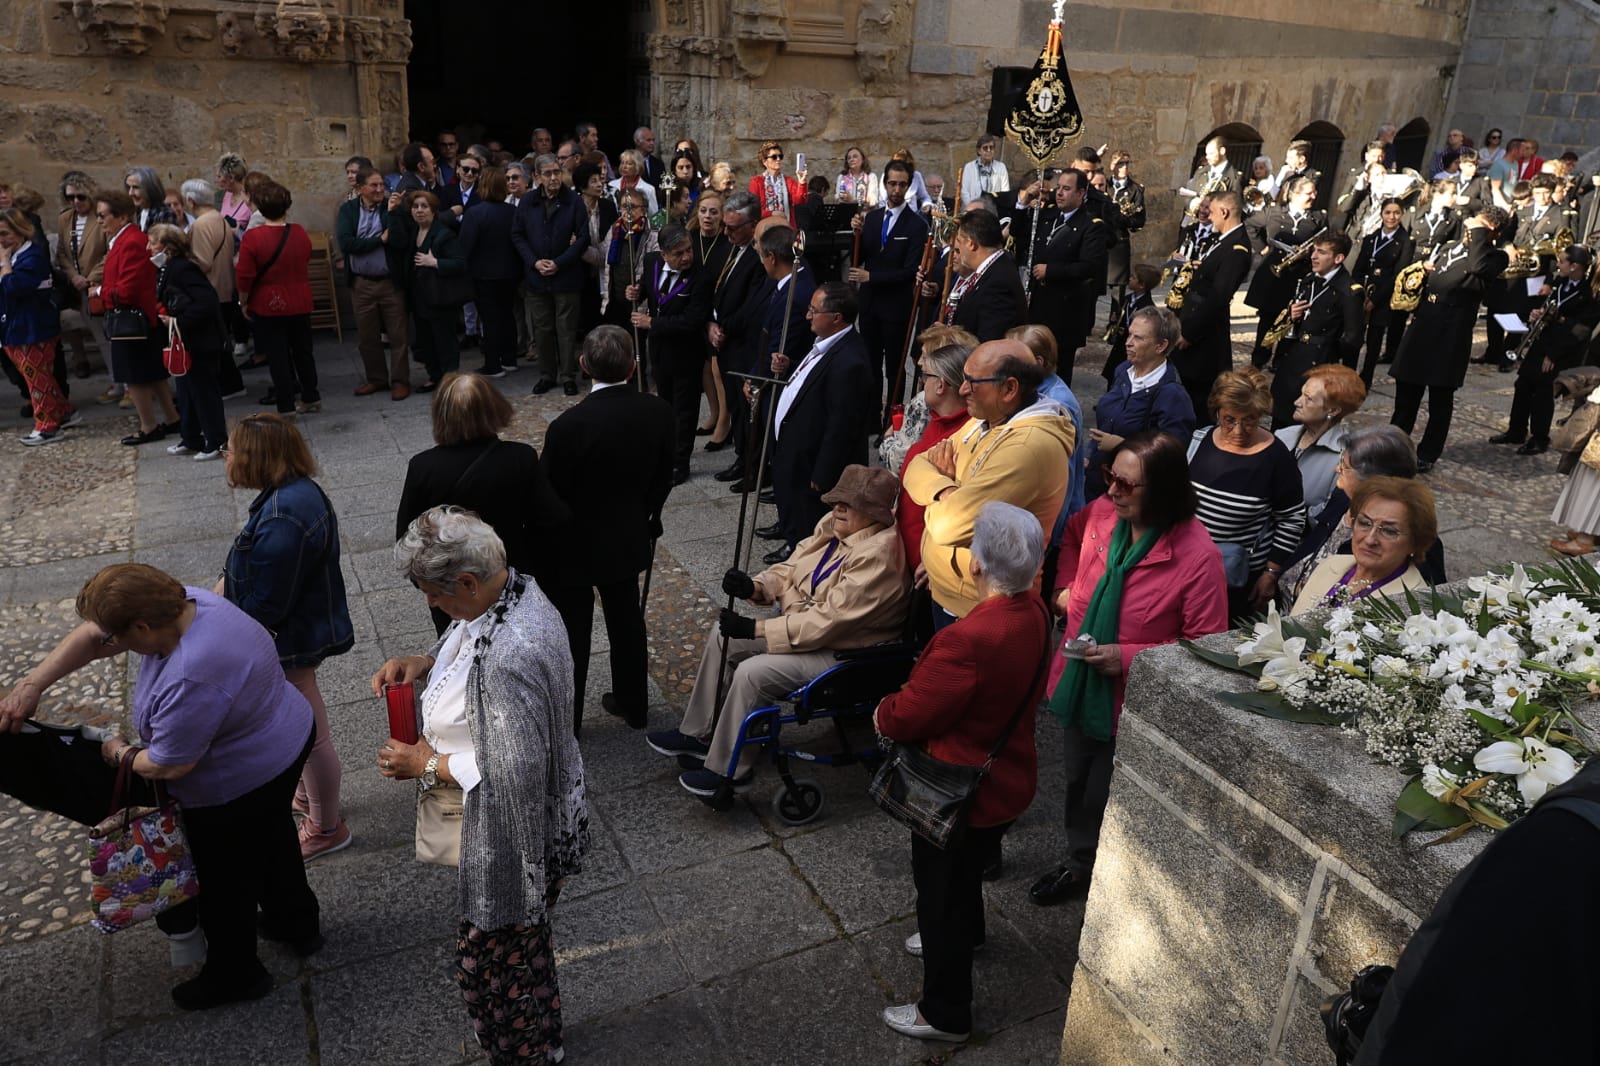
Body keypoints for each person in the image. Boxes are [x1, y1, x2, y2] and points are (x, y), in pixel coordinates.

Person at [0, 563, 322, 1010]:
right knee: (271, 837)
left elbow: (171, 764)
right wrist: (32, 683)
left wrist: (118, 752)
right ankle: (296, 923)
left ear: (141, 627)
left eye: (121, 638)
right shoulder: (186, 602)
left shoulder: (193, 673)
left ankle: (236, 975)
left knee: (223, 878)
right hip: (282, 739)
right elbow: (95, 637)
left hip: (241, 779)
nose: (113, 646)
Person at [374, 507, 588, 1066]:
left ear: (467, 581)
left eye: (435, 594)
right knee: (527, 949)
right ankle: (547, 1043)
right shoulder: (512, 590)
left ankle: (523, 1055)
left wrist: (425, 764)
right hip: (540, 817)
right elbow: (470, 637)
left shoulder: (509, 656)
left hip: (513, 839)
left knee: (488, 969)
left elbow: (512, 771)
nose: (431, 604)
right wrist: (426, 662)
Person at [874, 502, 1051, 1045]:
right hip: (1008, 779)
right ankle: (969, 935)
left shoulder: (967, 639)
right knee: (967, 874)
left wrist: (882, 712)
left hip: (955, 792)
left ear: (975, 566)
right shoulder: (1037, 613)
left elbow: (912, 713)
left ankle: (945, 1012)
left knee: (940, 893)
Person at [1030, 433, 1229, 906]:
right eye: (1110, 477)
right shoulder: (1103, 514)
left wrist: (1127, 657)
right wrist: (1064, 592)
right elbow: (1072, 536)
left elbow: (1205, 649)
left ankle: (1113, 888)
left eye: (1127, 484)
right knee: (1077, 780)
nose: (1113, 491)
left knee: (1111, 796)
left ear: (1162, 490)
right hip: (1079, 683)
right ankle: (1080, 863)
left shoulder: (1198, 557)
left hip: (1134, 706)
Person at [648, 465, 911, 795]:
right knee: (723, 635)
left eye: (850, 504)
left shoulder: (878, 554)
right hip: (808, 629)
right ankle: (700, 733)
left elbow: (828, 622)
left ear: (874, 513)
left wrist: (756, 627)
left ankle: (730, 770)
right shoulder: (833, 527)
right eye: (837, 501)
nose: (838, 508)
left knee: (753, 672)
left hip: (845, 652)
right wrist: (754, 587)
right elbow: (791, 569)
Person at [220, 413, 355, 861]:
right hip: (296, 634)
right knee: (300, 727)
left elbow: (266, 605)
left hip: (289, 643)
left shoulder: (282, 516)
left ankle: (325, 827)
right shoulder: (291, 496)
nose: (227, 456)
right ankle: (307, 799)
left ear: (256, 458)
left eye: (232, 449)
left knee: (309, 738)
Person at [541, 327, 674, 733]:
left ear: (583, 366)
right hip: (626, 534)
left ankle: (571, 718)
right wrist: (643, 513)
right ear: (634, 367)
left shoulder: (568, 426)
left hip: (575, 543)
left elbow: (549, 491)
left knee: (573, 633)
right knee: (627, 622)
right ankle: (635, 704)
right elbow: (663, 476)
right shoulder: (658, 412)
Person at [903, 339, 1076, 627]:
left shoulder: (1028, 447)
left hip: (980, 608)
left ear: (1009, 388)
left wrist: (944, 483)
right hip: (950, 593)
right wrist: (948, 491)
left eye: (972, 381)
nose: (962, 389)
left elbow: (949, 527)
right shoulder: (986, 417)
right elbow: (916, 465)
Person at [395, 372, 569, 634]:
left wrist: (433, 586)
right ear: (494, 408)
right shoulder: (519, 458)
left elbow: (407, 539)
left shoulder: (423, 467)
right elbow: (552, 520)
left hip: (451, 585)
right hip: (507, 577)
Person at [1389, 206, 1510, 472]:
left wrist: (1480, 233)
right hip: (1424, 325)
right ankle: (1394, 443)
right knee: (1407, 393)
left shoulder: (1495, 257)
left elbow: (1478, 266)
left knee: (1439, 400)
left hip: (1451, 332)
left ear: (1491, 231)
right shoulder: (1449, 247)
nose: (1470, 229)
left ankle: (1428, 453)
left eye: (1477, 227)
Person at [766, 281, 874, 558]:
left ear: (836, 318)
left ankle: (803, 555)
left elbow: (842, 424)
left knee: (808, 518)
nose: (807, 316)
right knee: (792, 506)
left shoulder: (850, 361)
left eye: (814, 310)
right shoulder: (828, 343)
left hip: (812, 462)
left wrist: (823, 472)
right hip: (795, 449)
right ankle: (793, 540)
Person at [1188, 368, 1307, 619]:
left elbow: (1292, 518)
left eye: (1250, 420)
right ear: (1217, 410)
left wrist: (1272, 572)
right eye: (1230, 419)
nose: (1239, 430)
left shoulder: (1275, 458)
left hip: (1236, 580)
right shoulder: (1198, 442)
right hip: (1187, 568)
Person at [891, 334, 977, 638]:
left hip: (932, 569)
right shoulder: (937, 420)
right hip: (911, 554)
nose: (921, 382)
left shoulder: (964, 433)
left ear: (941, 384)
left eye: (925, 376)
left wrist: (934, 557)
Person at [93, 190, 180, 445]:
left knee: (137, 376)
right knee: (153, 373)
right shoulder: (122, 239)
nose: (99, 221)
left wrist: (99, 292)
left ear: (120, 217)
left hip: (132, 319)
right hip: (138, 317)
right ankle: (171, 417)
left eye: (102, 215)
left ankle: (149, 425)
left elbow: (128, 289)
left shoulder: (130, 241)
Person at [1494, 245, 1600, 456]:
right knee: (1523, 383)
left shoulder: (1587, 295)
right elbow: (1551, 308)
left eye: (1562, 262)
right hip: (1542, 342)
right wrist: (1538, 313)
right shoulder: (1560, 283)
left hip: (1559, 350)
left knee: (1543, 392)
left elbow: (1579, 331)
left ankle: (1539, 438)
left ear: (1574, 266)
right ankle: (1516, 430)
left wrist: (1553, 354)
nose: (1557, 265)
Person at [628, 224, 711, 485]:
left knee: (684, 410)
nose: (686, 257)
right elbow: (647, 287)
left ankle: (680, 462)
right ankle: (664, 451)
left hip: (686, 350)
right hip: (659, 350)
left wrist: (652, 323)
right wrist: (636, 291)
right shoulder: (652, 261)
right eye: (678, 253)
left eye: (688, 250)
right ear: (663, 254)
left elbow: (692, 320)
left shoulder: (701, 276)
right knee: (664, 404)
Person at [1086, 306, 1196, 499]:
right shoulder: (1123, 371)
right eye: (1129, 335)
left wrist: (1123, 445)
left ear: (1161, 346)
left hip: (1131, 495)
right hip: (1098, 482)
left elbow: (1170, 457)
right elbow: (1108, 422)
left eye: (1138, 338)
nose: (1128, 343)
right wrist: (1090, 453)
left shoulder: (1172, 395)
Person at [848, 159, 929, 413]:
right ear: (884, 184)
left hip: (896, 306)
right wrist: (855, 235)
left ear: (908, 186)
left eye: (902, 185)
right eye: (892, 183)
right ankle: (871, 415)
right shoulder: (871, 219)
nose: (896, 190)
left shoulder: (917, 225)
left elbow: (908, 272)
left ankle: (892, 419)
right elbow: (857, 259)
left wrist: (871, 277)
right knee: (870, 361)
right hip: (870, 304)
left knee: (894, 366)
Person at [1290, 476, 1436, 613]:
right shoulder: (1330, 564)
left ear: (1415, 542)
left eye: (1389, 531)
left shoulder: (1415, 607)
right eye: (1365, 523)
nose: (1370, 540)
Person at [236, 181, 319, 414]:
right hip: (300, 299)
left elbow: (244, 275)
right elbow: (304, 259)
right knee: (303, 351)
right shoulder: (299, 232)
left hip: (268, 303)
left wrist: (243, 300)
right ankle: (311, 396)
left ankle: (286, 404)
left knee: (278, 355)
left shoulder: (253, 238)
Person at [1267, 230, 1364, 426]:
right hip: (1294, 356)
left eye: (1321, 252)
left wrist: (1342, 377)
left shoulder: (1349, 291)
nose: (1313, 256)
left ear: (1338, 258)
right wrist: (1292, 314)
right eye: (1313, 250)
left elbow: (1352, 339)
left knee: (1306, 420)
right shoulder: (1310, 280)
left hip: (1320, 360)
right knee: (1281, 413)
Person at [147, 224, 227, 459]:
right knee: (186, 392)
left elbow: (206, 303)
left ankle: (216, 441)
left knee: (204, 392)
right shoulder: (168, 269)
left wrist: (176, 320)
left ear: (168, 248)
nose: (148, 248)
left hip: (199, 341)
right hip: (185, 341)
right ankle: (191, 437)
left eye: (153, 243)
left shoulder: (183, 269)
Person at [513, 154, 589, 397]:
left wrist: (559, 262)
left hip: (565, 275)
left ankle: (568, 375)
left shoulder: (574, 201)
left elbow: (583, 237)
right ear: (537, 177)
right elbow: (518, 235)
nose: (554, 177)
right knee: (542, 328)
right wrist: (535, 262)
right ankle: (547, 374)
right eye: (548, 173)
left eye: (557, 172)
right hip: (536, 277)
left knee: (566, 329)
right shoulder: (527, 201)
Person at [0, 208, 77, 446]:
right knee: (40, 375)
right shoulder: (14, 257)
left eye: (4, 234)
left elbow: (13, 287)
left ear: (20, 231)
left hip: (32, 328)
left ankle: (47, 425)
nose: (1, 240)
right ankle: (64, 411)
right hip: (14, 327)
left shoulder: (31, 256)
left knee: (37, 379)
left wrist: (3, 264)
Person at [1174, 191, 1254, 418]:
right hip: (1195, 319)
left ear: (1224, 212)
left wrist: (1189, 333)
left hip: (1204, 335)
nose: (1208, 217)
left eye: (1211, 212)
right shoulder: (1225, 241)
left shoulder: (1237, 248)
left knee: (1197, 397)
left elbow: (1218, 297)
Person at [1027, 170, 1109, 384]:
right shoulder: (1048, 216)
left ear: (1081, 193)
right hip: (1039, 306)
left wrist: (1051, 271)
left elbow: (1089, 267)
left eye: (1066, 188)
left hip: (1065, 311)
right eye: (1058, 188)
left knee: (1058, 372)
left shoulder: (1091, 226)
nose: (1060, 193)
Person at [338, 166, 413, 399]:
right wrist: (379, 240)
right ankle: (376, 379)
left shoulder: (393, 208)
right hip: (361, 284)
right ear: (360, 188)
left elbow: (400, 241)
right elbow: (347, 244)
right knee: (367, 336)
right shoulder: (348, 210)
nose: (380, 189)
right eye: (374, 185)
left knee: (398, 334)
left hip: (390, 282)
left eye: (382, 185)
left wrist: (392, 214)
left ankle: (400, 381)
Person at [1244, 176, 1326, 369]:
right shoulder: (1273, 211)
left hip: (1299, 276)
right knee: (1267, 320)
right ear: (1294, 194)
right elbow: (1250, 226)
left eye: (1314, 192)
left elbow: (1324, 242)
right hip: (1274, 276)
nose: (1313, 196)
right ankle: (1259, 359)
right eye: (1308, 193)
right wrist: (1263, 249)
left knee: (1293, 319)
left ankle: (1281, 360)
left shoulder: (1318, 217)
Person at [395, 189, 467, 392]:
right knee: (424, 340)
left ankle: (450, 379)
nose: (419, 211)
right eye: (415, 207)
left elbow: (459, 263)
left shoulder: (444, 234)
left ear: (434, 211)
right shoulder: (413, 232)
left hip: (440, 297)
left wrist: (434, 262)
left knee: (445, 339)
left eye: (424, 207)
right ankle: (435, 375)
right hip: (419, 297)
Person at [1274, 363, 1367, 520]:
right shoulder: (1282, 437)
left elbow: (1330, 514)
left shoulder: (1345, 458)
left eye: (1308, 399)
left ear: (1332, 410)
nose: (1297, 402)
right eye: (1301, 394)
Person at [458, 166, 520, 378]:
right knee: (507, 315)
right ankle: (509, 358)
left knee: (490, 319)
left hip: (483, 275)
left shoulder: (475, 213)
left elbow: (465, 246)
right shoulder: (512, 212)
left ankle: (493, 364)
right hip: (510, 273)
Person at [936, 209, 1027, 343]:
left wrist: (950, 338)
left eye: (959, 242)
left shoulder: (999, 283)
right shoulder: (995, 267)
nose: (957, 250)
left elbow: (989, 341)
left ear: (971, 244)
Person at [54, 171, 107, 379]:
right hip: (76, 286)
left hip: (96, 284)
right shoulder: (65, 219)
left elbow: (109, 251)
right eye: (70, 197)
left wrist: (91, 276)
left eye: (80, 196)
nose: (76, 201)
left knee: (105, 336)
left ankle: (123, 383)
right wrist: (73, 275)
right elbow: (62, 253)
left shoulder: (101, 216)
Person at [1354, 199, 1412, 386]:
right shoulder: (1371, 238)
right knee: (1354, 337)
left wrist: (1375, 300)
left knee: (1374, 340)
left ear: (1402, 215)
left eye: (1396, 213)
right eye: (1387, 212)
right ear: (1381, 214)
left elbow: (1398, 274)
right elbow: (1358, 268)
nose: (1391, 217)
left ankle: (1366, 377)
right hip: (1364, 293)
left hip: (1384, 296)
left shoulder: (1405, 241)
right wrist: (1359, 293)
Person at [749, 140, 809, 224]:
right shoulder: (756, 182)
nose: (778, 159)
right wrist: (772, 213)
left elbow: (800, 201)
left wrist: (802, 182)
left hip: (786, 228)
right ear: (764, 161)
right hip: (765, 229)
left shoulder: (788, 181)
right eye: (774, 157)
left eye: (780, 156)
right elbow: (753, 210)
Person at [958, 134, 1010, 204]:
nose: (989, 150)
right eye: (985, 148)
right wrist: (972, 208)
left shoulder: (1001, 167)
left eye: (991, 148)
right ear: (979, 151)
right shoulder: (969, 167)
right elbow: (964, 192)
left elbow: (1005, 191)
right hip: (973, 208)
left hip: (994, 208)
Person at [125, 167, 179, 233]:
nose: (130, 193)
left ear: (150, 188)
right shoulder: (140, 210)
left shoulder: (164, 214)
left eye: (136, 187)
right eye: (128, 187)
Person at [607, 149, 659, 217]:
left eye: (629, 164)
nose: (624, 166)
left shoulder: (648, 189)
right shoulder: (612, 185)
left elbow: (653, 216)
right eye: (622, 163)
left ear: (637, 166)